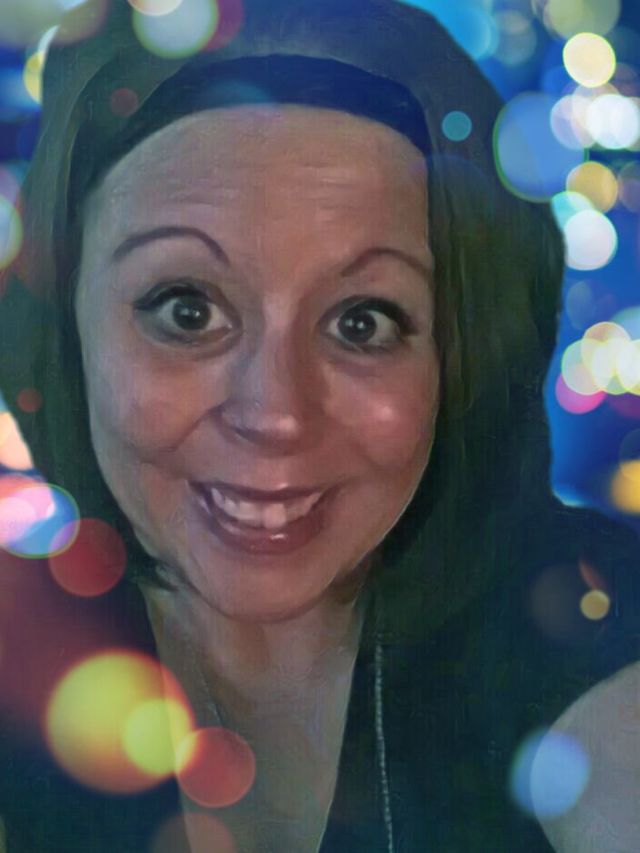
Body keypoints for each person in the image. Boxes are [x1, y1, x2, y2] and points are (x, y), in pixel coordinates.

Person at [1, 0, 639, 850]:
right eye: (187, 310)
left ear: (460, 355)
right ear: (64, 324)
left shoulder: (595, 633)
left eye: (362, 322)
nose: (276, 413)